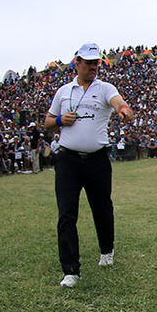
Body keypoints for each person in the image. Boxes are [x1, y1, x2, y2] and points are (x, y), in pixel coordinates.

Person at [45, 43, 135, 288]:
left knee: (102, 208)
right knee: (66, 214)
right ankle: (71, 271)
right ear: (78, 63)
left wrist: (124, 110)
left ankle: (107, 250)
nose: (94, 66)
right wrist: (61, 120)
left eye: (96, 62)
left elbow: (118, 102)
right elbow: (48, 122)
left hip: (97, 160)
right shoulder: (64, 91)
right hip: (68, 160)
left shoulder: (105, 88)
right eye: (89, 62)